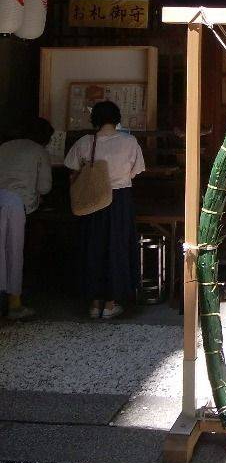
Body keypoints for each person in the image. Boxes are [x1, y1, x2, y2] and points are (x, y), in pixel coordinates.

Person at [64, 100, 145, 320]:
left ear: (95, 120)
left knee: (92, 247)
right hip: (119, 199)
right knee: (117, 247)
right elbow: (136, 171)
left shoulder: (85, 142)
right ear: (117, 118)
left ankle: (94, 302)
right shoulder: (129, 142)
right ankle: (111, 304)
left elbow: (71, 168)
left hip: (92, 199)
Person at [0, 116, 54, 321]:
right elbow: (44, 187)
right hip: (15, 205)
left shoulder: (4, 147)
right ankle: (14, 304)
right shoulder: (39, 151)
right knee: (13, 253)